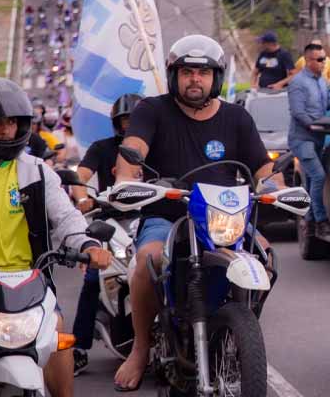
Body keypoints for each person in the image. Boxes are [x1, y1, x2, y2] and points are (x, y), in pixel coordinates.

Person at [112, 35, 282, 391]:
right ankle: (141, 349)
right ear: (174, 75)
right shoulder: (152, 110)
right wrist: (127, 178)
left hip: (224, 218)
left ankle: (240, 328)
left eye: (203, 72)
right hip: (169, 214)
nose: (195, 79)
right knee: (148, 260)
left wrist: (274, 189)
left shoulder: (237, 117)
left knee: (266, 258)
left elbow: (263, 169)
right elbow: (133, 149)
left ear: (215, 78)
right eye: (187, 71)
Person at [0, 78, 111, 397]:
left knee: (56, 329)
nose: (5, 130)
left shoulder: (36, 171)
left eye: (12, 123)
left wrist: (87, 244)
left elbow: (65, 216)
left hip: (30, 282)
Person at [69, 93, 141, 375]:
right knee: (92, 278)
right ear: (116, 123)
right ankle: (79, 347)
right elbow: (80, 176)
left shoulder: (157, 147)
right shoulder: (102, 148)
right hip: (111, 224)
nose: (130, 125)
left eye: (136, 120)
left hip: (148, 219)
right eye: (126, 120)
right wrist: (82, 197)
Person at [288, 43, 330, 237]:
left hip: (318, 138)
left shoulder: (320, 81)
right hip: (302, 140)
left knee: (312, 180)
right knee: (319, 176)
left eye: (325, 59)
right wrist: (313, 125)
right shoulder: (298, 83)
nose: (323, 63)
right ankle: (320, 221)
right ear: (308, 61)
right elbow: (298, 112)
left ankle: (309, 222)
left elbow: (325, 104)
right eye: (320, 60)